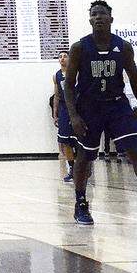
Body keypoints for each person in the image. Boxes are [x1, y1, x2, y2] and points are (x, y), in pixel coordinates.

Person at [63, 0, 137, 229]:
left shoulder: (123, 47)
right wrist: (73, 116)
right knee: (85, 157)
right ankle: (81, 203)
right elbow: (68, 85)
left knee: (136, 151)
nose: (98, 17)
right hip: (89, 107)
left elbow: (135, 80)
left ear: (110, 19)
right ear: (90, 20)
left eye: (102, 14)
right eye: (94, 14)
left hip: (117, 105)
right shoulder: (79, 48)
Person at [52, 51, 76, 181]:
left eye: (65, 56)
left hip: (77, 108)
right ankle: (71, 168)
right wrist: (55, 113)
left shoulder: (77, 73)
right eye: (60, 57)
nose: (62, 58)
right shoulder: (56, 76)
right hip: (64, 109)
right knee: (65, 141)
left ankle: (83, 167)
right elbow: (56, 95)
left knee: (79, 140)